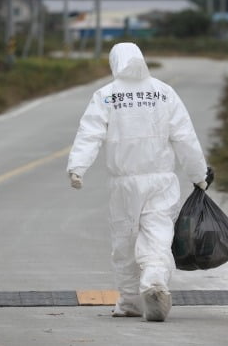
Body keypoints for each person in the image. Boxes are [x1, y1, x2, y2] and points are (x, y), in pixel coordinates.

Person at [67, 42, 209, 322]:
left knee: (125, 241)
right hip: (161, 181)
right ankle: (155, 283)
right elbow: (185, 138)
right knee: (157, 235)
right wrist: (198, 175)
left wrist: (77, 168)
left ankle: (131, 302)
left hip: (124, 183)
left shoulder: (106, 96)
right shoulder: (164, 93)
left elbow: (90, 134)